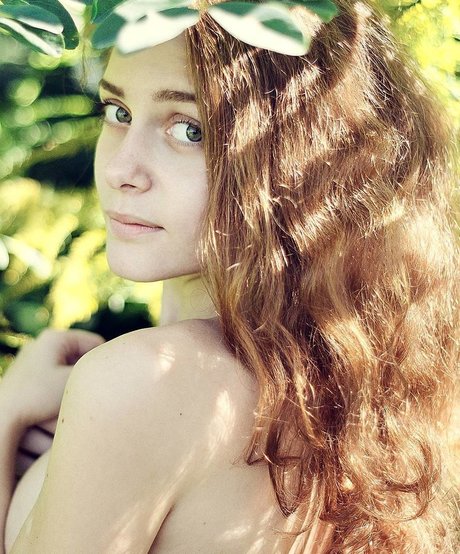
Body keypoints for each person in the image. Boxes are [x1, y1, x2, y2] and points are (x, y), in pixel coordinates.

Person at [1, 0, 459, 551]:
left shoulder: (142, 382)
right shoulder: (358, 402)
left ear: (298, 158)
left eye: (189, 129)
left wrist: (5, 412)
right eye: (118, 112)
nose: (121, 169)